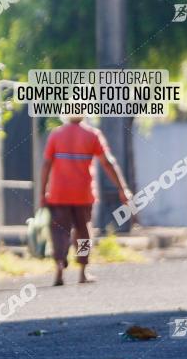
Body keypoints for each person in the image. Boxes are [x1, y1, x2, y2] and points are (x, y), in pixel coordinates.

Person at [39, 117, 133, 286]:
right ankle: (82, 271)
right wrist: (122, 188)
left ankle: (60, 265)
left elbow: (46, 164)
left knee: (59, 232)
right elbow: (108, 162)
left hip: (59, 193)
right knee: (83, 232)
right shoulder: (92, 135)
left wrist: (41, 193)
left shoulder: (56, 134)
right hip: (83, 193)